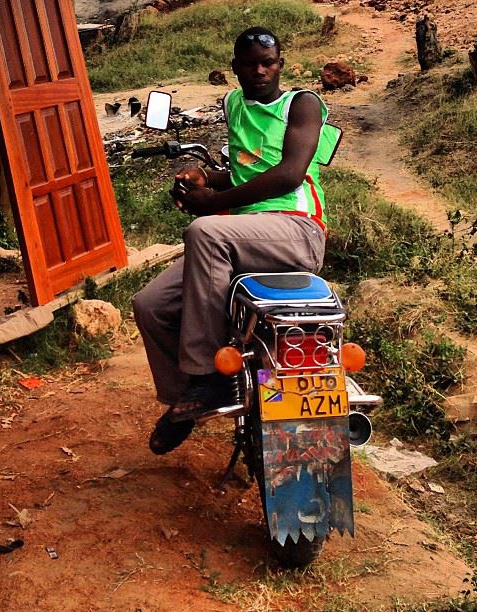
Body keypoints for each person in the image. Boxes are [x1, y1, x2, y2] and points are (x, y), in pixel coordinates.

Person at [133, 26, 329, 455]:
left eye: (268, 63)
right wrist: (203, 179)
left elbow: (289, 174)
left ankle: (209, 377)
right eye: (250, 64)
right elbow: (245, 173)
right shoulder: (234, 104)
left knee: (204, 230)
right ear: (235, 68)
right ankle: (186, 403)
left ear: (281, 65)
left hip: (296, 230)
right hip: (242, 237)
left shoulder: (302, 104)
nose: (260, 71)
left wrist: (212, 203)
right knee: (150, 305)